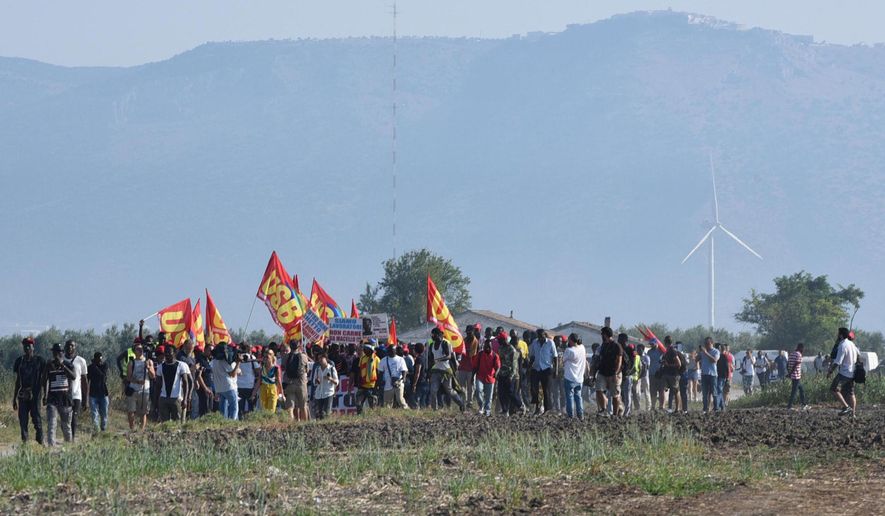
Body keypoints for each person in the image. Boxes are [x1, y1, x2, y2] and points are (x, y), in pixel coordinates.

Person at [13, 337, 45, 445]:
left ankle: (41, 441)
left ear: (33, 347)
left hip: (35, 394)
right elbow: (18, 380)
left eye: (29, 345)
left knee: (36, 418)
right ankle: (25, 443)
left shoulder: (40, 361)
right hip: (23, 394)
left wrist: (45, 393)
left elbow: (44, 378)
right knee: (23, 419)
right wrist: (14, 398)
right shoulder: (19, 361)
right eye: (25, 345)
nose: (27, 347)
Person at [45, 343, 76, 446]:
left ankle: (68, 447)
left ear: (62, 353)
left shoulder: (68, 364)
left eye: (57, 352)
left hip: (65, 399)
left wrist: (62, 365)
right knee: (52, 424)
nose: (55, 354)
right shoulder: (49, 365)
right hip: (52, 399)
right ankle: (51, 447)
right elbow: (44, 381)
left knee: (66, 426)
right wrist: (44, 396)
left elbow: (73, 377)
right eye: (54, 352)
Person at [428, 328, 465, 411]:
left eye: (433, 335)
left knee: (449, 390)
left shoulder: (445, 343)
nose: (432, 337)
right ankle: (435, 409)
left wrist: (438, 360)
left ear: (438, 335)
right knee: (433, 390)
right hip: (436, 370)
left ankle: (461, 403)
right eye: (432, 335)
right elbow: (431, 359)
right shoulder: (431, 345)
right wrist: (429, 370)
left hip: (446, 370)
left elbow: (449, 356)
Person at [155, 345, 192, 422]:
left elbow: (186, 382)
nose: (167, 354)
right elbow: (158, 385)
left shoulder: (181, 365)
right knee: (164, 423)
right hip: (163, 398)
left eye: (169, 352)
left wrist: (185, 399)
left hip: (176, 399)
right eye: (165, 352)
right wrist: (157, 400)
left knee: (177, 422)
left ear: (175, 353)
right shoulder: (160, 367)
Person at [828, 327, 859, 417]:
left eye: (838, 334)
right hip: (852, 373)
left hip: (844, 373)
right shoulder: (852, 345)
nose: (837, 335)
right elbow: (858, 356)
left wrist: (830, 371)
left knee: (834, 389)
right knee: (851, 393)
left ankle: (846, 407)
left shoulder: (842, 345)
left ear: (841, 335)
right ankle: (853, 414)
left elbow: (838, 362)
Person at [62, 340, 88, 440]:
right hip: (63, 394)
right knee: (64, 418)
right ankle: (66, 437)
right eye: (68, 345)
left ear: (75, 348)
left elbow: (85, 381)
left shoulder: (81, 361)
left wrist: (86, 400)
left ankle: (71, 438)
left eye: (72, 346)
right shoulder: (61, 360)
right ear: (65, 347)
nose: (70, 347)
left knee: (73, 417)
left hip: (76, 394)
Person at [126, 341, 155, 431]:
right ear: (134, 351)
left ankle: (141, 430)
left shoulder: (149, 361)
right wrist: (137, 381)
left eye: (141, 349)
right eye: (138, 349)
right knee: (131, 411)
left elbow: (153, 376)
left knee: (143, 412)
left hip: (145, 390)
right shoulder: (131, 363)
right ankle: (132, 429)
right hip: (133, 389)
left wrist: (149, 368)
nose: (140, 350)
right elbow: (128, 377)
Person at [528, 329, 558, 415]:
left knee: (546, 390)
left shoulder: (550, 343)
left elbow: (555, 357)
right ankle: (537, 407)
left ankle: (547, 409)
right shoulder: (535, 342)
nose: (540, 338)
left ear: (545, 335)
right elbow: (532, 356)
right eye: (539, 336)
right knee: (534, 389)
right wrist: (529, 367)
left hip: (547, 368)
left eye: (541, 336)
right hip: (536, 368)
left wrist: (555, 370)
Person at [595, 327, 622, 416]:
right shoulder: (603, 345)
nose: (601, 336)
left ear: (605, 335)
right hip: (602, 372)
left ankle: (615, 414)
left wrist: (616, 373)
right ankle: (603, 410)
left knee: (615, 395)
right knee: (599, 390)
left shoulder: (616, 346)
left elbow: (619, 361)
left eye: (602, 334)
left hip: (613, 373)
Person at [210, 343, 240, 420]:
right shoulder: (223, 362)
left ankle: (223, 423)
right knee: (234, 406)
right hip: (228, 387)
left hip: (219, 388)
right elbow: (233, 374)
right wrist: (238, 363)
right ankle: (232, 423)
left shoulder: (214, 361)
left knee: (223, 409)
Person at [497, 333, 525, 416]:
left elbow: (514, 364)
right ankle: (505, 410)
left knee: (510, 392)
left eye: (500, 339)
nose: (498, 341)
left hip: (509, 374)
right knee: (501, 393)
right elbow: (500, 361)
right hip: (502, 373)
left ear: (504, 339)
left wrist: (511, 376)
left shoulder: (512, 350)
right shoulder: (500, 348)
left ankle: (520, 405)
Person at [473, 335, 501, 416]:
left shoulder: (495, 356)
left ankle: (487, 410)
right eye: (486, 346)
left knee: (489, 397)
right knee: (478, 391)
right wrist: (472, 377)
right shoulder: (480, 354)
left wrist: (496, 373)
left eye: (489, 346)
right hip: (480, 377)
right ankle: (481, 407)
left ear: (491, 346)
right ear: (484, 346)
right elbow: (475, 366)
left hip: (490, 378)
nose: (487, 347)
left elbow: (498, 366)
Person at [283, 341, 310, 421]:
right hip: (301, 384)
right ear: (299, 346)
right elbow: (307, 370)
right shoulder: (303, 356)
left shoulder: (286, 357)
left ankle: (291, 424)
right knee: (303, 406)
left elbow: (284, 368)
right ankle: (305, 425)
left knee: (290, 407)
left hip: (289, 383)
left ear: (290, 347)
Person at [562, 333, 586, 419]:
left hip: (570, 377)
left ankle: (570, 416)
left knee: (570, 397)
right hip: (579, 378)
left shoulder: (569, 350)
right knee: (578, 397)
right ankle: (581, 415)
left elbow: (563, 360)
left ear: (571, 340)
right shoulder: (582, 348)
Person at [236, 343, 261, 419]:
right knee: (251, 407)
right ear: (248, 349)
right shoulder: (251, 357)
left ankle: (241, 420)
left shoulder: (237, 357)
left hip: (239, 385)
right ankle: (250, 421)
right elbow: (257, 370)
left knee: (240, 408)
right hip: (250, 386)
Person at [86, 352, 110, 432]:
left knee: (104, 413)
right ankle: (96, 430)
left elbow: (103, 376)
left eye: (101, 359)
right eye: (98, 359)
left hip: (103, 393)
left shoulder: (104, 366)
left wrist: (95, 366)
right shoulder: (89, 368)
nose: (100, 361)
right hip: (93, 394)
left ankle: (103, 429)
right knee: (94, 413)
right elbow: (87, 380)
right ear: (95, 359)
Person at [311, 352, 338, 419]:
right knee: (318, 414)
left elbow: (336, 382)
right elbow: (314, 382)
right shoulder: (317, 369)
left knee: (326, 413)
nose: (320, 360)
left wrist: (330, 379)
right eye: (318, 358)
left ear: (325, 358)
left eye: (321, 358)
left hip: (328, 393)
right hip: (319, 394)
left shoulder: (331, 368)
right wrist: (317, 381)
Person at [457, 326, 479, 409]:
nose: (468, 334)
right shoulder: (464, 340)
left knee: (471, 387)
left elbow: (473, 354)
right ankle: (463, 402)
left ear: (473, 332)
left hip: (471, 367)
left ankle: (469, 402)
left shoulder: (475, 342)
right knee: (462, 386)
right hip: (463, 366)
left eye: (470, 332)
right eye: (467, 332)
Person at [356, 343, 381, 414]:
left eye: (366, 350)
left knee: (372, 405)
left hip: (372, 386)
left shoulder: (376, 359)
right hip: (362, 385)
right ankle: (359, 417)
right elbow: (359, 371)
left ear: (370, 350)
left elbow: (378, 373)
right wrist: (358, 382)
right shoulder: (362, 358)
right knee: (358, 403)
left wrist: (377, 385)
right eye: (364, 350)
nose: (364, 351)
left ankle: (373, 418)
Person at [660, 340, 684, 413]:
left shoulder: (673, 351)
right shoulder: (667, 351)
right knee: (663, 389)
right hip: (667, 373)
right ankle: (662, 407)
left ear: (666, 343)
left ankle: (677, 409)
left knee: (676, 391)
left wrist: (669, 365)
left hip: (674, 374)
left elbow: (679, 364)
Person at [698, 337, 720, 413]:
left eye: (707, 344)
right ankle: (705, 408)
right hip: (704, 374)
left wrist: (706, 353)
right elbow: (696, 359)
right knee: (705, 393)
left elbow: (714, 360)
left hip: (712, 375)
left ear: (711, 343)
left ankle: (716, 408)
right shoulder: (703, 352)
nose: (706, 345)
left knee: (714, 392)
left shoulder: (716, 351)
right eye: (705, 344)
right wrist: (700, 352)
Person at [258, 349, 284, 413]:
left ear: (272, 356)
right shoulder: (262, 367)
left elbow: (279, 381)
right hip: (263, 389)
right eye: (265, 356)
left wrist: (282, 393)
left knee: (271, 411)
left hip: (273, 389)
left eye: (268, 355)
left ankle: (270, 422)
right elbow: (259, 381)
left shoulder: (276, 368)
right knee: (263, 411)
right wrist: (253, 394)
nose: (266, 357)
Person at [619, 336, 638, 417]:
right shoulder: (618, 348)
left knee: (627, 395)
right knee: (619, 394)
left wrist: (628, 372)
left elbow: (633, 363)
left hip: (627, 375)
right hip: (619, 375)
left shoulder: (630, 349)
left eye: (621, 340)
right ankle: (620, 410)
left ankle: (627, 413)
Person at [647, 337, 667, 411]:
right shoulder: (649, 352)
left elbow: (665, 355)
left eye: (653, 344)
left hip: (660, 374)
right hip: (651, 374)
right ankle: (653, 406)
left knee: (661, 390)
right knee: (653, 391)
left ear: (656, 344)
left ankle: (662, 406)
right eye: (651, 344)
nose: (651, 345)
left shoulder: (661, 351)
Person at [787, 343, 808, 410]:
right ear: (801, 348)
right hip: (796, 376)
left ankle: (803, 404)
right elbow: (796, 364)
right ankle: (789, 406)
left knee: (801, 389)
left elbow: (788, 364)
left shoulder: (792, 354)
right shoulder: (799, 354)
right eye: (803, 349)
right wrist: (790, 373)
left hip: (794, 375)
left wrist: (789, 372)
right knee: (794, 392)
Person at [411, 342, 430, 409]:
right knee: (423, 401)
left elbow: (417, 372)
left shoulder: (419, 359)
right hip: (425, 381)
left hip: (420, 382)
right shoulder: (424, 357)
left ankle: (417, 413)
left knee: (417, 400)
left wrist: (414, 384)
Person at [715, 344, 733, 410]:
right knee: (719, 391)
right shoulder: (718, 356)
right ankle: (722, 406)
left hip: (722, 376)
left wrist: (727, 376)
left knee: (720, 390)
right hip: (718, 375)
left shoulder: (725, 356)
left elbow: (727, 367)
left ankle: (718, 406)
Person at [636, 345, 650, 411]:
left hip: (644, 376)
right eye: (637, 349)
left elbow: (647, 367)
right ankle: (638, 407)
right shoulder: (636, 357)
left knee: (646, 392)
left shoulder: (646, 357)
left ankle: (648, 408)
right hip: (638, 377)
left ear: (643, 349)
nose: (638, 351)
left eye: (639, 349)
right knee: (637, 392)